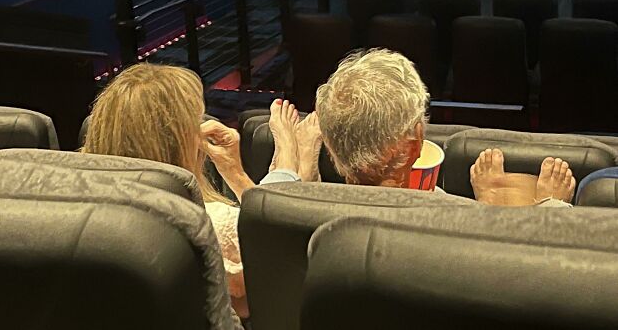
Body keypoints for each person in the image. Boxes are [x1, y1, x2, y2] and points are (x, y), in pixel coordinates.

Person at [83, 62, 301, 318]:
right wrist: (284, 155)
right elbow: (281, 257)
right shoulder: (208, 223)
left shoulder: (77, 214)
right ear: (180, 141)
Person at [303, 49, 576, 206]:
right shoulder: (447, 216)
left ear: (328, 141)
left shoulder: (301, 209)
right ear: (413, 145)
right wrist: (553, 209)